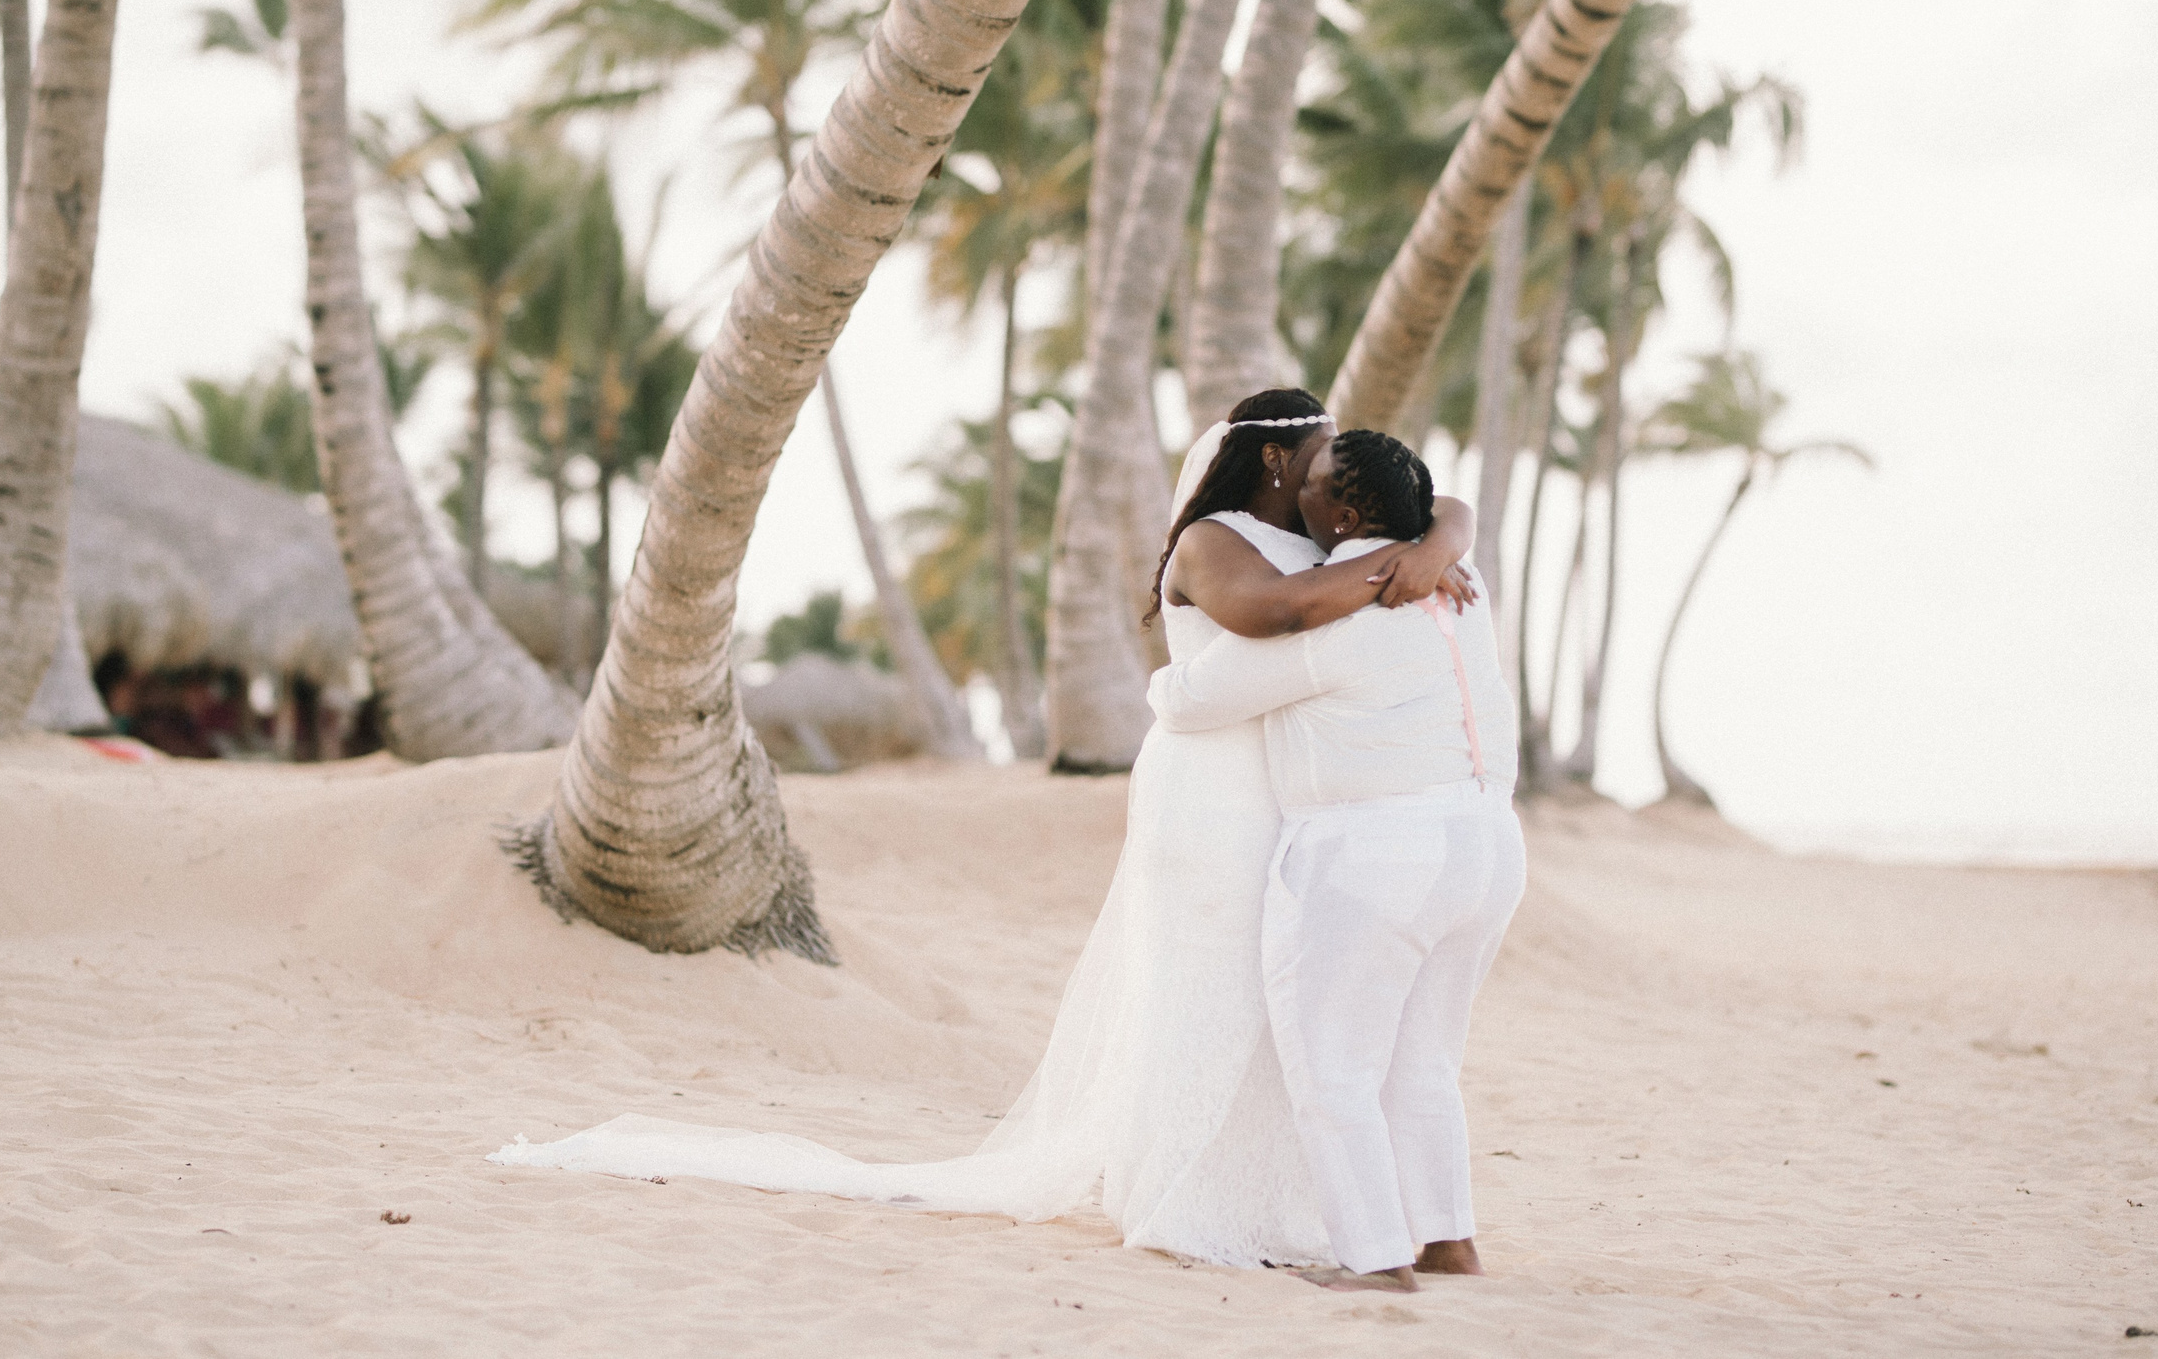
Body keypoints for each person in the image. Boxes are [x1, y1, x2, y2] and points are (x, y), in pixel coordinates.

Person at [488, 390, 1478, 1268]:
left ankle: (1273, 1202)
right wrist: (1411, 563)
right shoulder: (1215, 539)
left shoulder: (1327, 536)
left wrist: (1434, 545)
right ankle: (1184, 1200)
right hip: (1208, 790)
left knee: (1270, 1004)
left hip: (1283, 793)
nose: (1331, 470)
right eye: (1318, 455)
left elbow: (1445, 506)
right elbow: (1272, 613)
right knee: (1205, 981)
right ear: (1274, 458)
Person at [1148, 429, 1524, 1293]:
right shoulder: (1467, 587)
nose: (1295, 502)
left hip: (1373, 853)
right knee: (1424, 1061)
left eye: (1311, 489)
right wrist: (1435, 542)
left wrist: (1164, 682)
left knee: (1330, 1068)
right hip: (1489, 843)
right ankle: (1448, 1240)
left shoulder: (1330, 621)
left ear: (1345, 514)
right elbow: (1453, 516)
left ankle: (1376, 1258)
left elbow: (1193, 700)